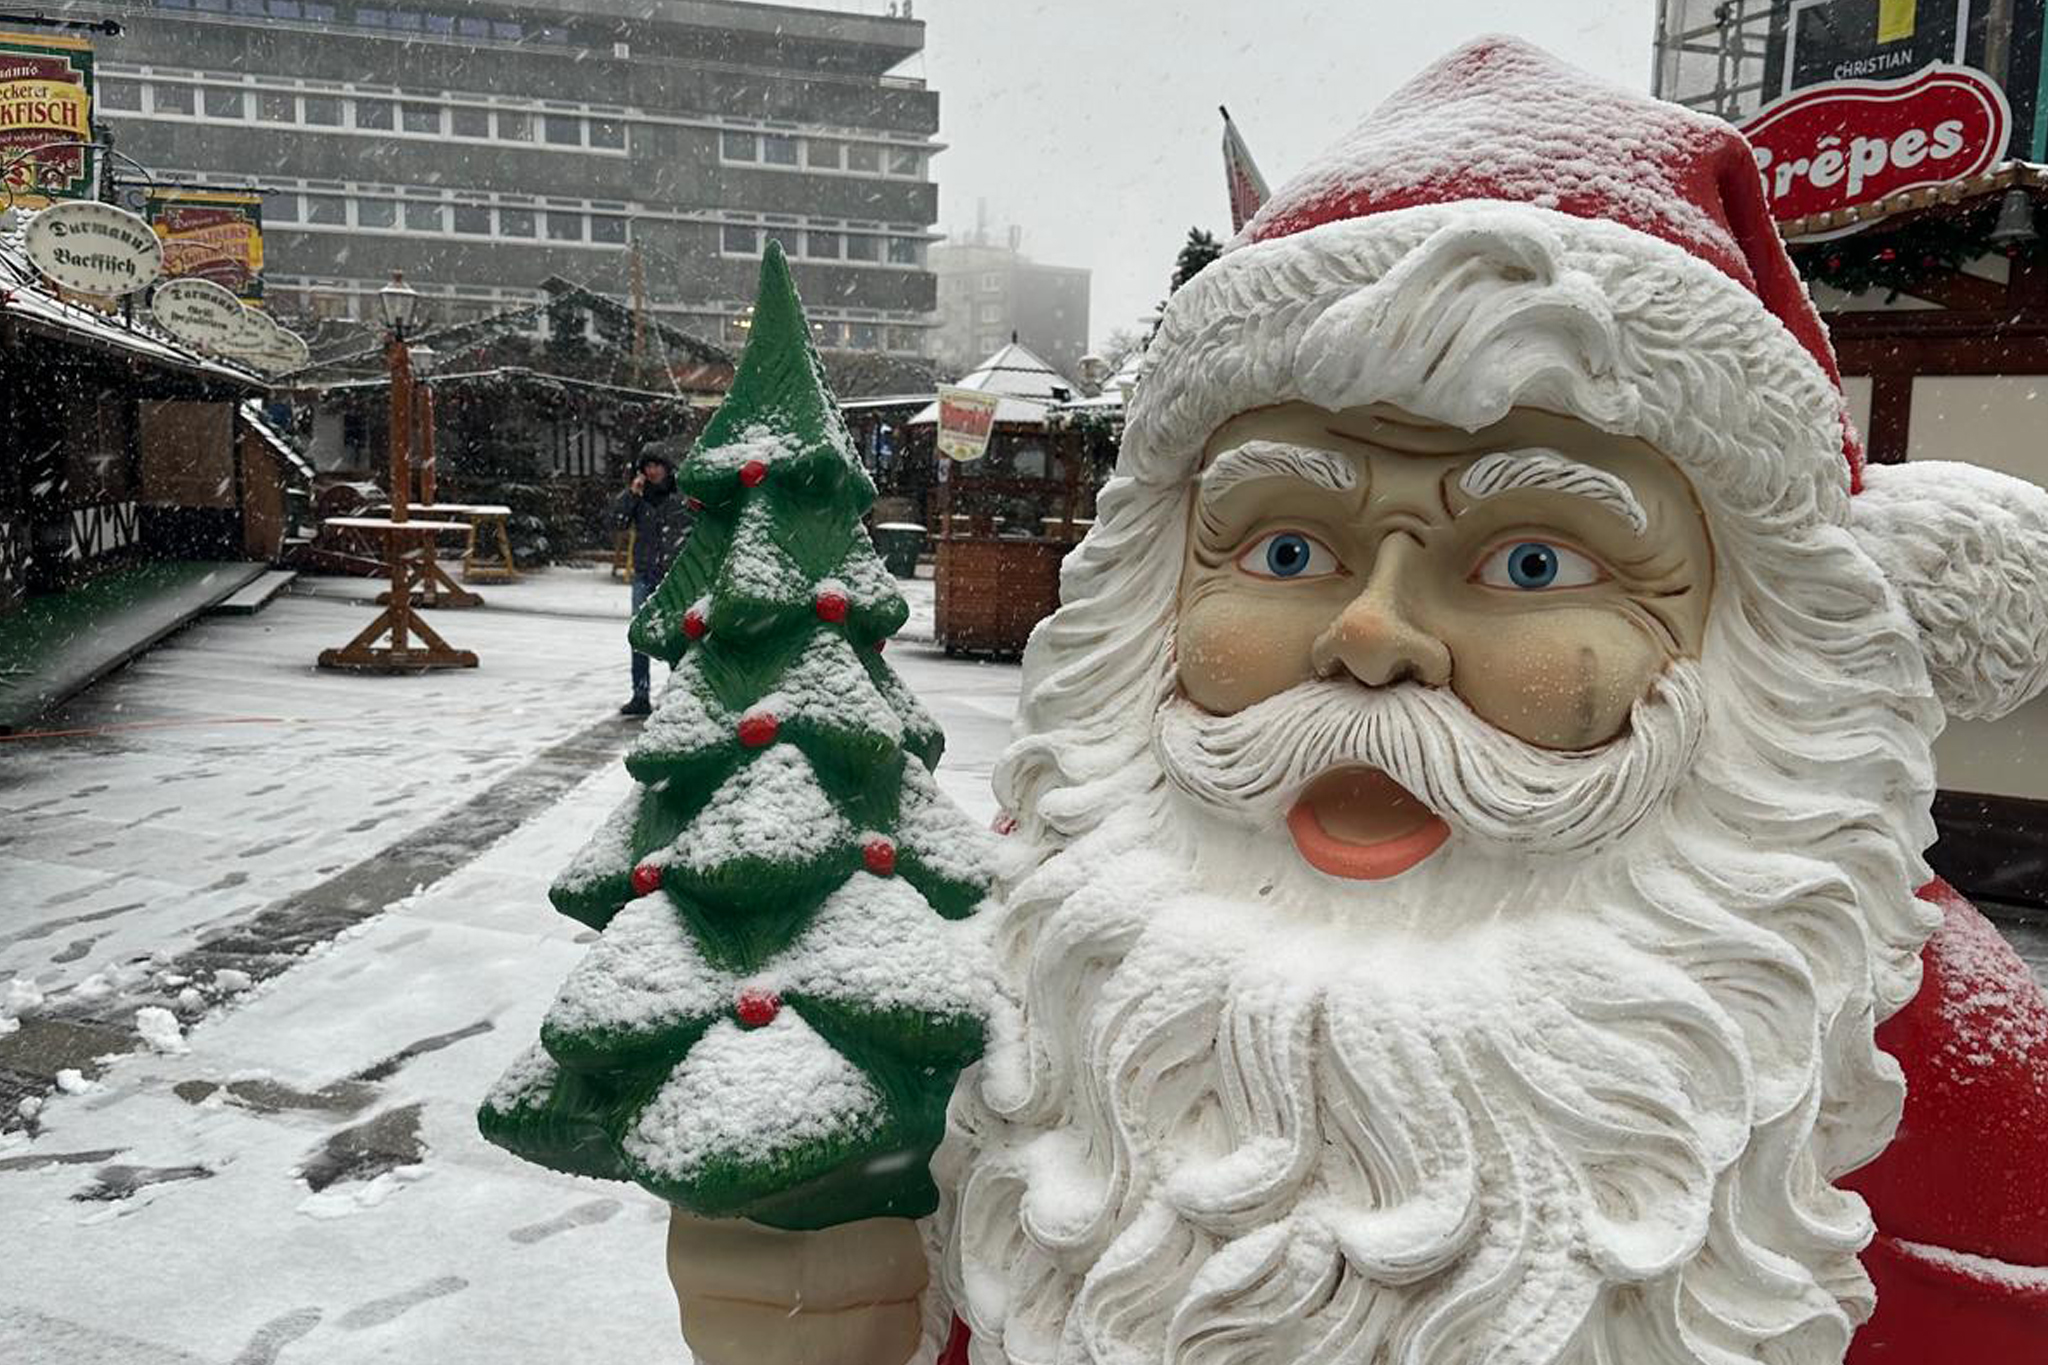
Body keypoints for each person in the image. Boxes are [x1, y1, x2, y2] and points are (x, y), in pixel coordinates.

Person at [659, 39, 2048, 1365]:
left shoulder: (1935, 1073)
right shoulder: (1034, 992)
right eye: (1285, 549)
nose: (1373, 633)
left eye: (1531, 559)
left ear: (1752, 639)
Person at [613, 447, 693, 717]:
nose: (652, 471)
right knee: (640, 637)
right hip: (645, 574)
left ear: (666, 467)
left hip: (674, 577)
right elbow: (617, 522)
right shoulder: (638, 498)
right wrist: (631, 495)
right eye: (647, 466)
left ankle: (678, 691)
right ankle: (640, 694)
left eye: (657, 465)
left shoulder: (681, 496)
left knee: (677, 635)